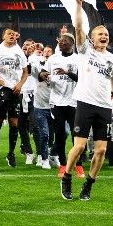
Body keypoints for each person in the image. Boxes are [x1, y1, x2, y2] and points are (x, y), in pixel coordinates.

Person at [60, 0, 113, 201]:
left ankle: (88, 185)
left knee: (100, 151)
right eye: (100, 33)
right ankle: (66, 177)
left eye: (106, 34)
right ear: (92, 38)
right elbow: (79, 28)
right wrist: (78, 4)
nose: (104, 36)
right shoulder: (85, 51)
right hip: (85, 103)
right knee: (80, 146)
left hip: (104, 107)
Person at [40, 33, 82, 176]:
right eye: (60, 41)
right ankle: (63, 165)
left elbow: (82, 79)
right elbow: (43, 73)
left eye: (65, 41)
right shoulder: (53, 59)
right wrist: (43, 75)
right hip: (57, 103)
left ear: (72, 43)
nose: (61, 43)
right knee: (59, 135)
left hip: (74, 102)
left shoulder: (78, 59)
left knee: (77, 136)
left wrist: (68, 72)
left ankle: (79, 165)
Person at [0, 28, 28, 168]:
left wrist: (21, 84)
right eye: (9, 34)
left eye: (13, 34)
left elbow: (25, 72)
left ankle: (11, 154)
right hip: (1, 90)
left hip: (15, 91)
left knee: (14, 124)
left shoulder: (19, 51)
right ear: (3, 36)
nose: (11, 35)